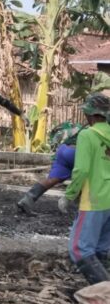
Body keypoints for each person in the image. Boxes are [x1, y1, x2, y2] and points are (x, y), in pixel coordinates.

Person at [63, 93, 110, 284]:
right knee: (100, 249)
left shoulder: (87, 135)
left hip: (94, 199)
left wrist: (69, 195)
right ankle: (98, 292)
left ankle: (104, 294)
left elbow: (81, 170)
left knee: (79, 249)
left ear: (90, 114)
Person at [16, 121, 84, 214]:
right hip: (76, 152)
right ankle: (82, 207)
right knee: (87, 177)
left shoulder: (80, 127)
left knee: (51, 180)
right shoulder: (96, 129)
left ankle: (26, 200)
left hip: (63, 149)